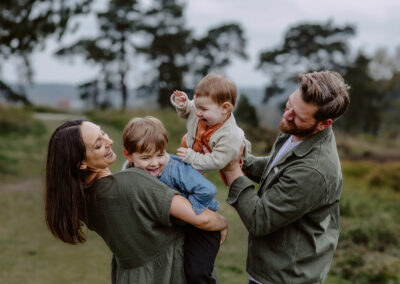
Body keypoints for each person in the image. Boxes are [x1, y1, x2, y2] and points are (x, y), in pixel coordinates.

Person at [44, 119, 228, 284]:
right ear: (81, 163)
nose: (109, 142)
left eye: (103, 134)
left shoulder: (80, 200)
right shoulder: (133, 182)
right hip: (172, 273)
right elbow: (203, 219)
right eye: (98, 144)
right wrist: (222, 223)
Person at [222, 71, 350, 284]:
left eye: (298, 116)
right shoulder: (299, 129)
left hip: (284, 277)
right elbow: (277, 168)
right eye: (289, 104)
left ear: (324, 124)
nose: (288, 115)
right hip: (268, 269)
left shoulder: (313, 171)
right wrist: (243, 160)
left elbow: (259, 219)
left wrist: (232, 169)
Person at [122, 116, 221, 284]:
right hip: (176, 229)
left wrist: (188, 210)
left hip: (201, 228)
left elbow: (208, 190)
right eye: (146, 158)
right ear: (129, 155)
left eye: (160, 154)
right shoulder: (129, 173)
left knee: (197, 273)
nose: (154, 163)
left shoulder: (175, 169)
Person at [170, 73, 250, 185]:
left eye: (203, 109)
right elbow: (190, 108)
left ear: (225, 108)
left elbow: (218, 161)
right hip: (198, 144)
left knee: (232, 181)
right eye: (197, 106)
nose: (197, 113)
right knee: (185, 142)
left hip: (221, 155)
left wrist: (192, 157)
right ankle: (183, 176)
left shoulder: (230, 135)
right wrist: (183, 104)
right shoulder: (202, 106)